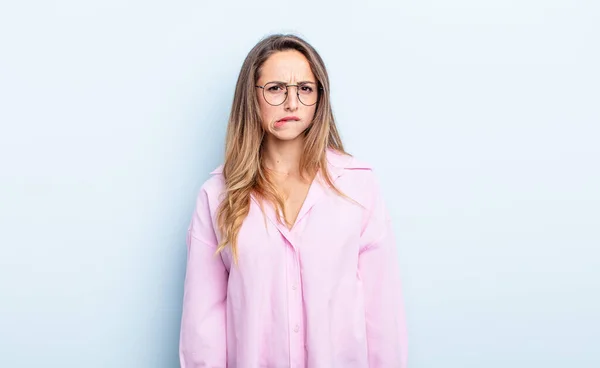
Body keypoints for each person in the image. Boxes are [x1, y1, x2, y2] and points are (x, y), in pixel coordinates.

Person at [179, 33, 407, 368]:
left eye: (304, 89)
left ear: (319, 98)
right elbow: (202, 329)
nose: (291, 103)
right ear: (251, 97)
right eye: (275, 89)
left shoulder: (359, 186)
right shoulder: (217, 196)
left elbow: (382, 313)